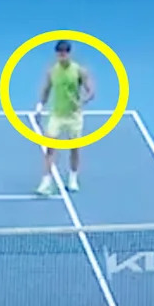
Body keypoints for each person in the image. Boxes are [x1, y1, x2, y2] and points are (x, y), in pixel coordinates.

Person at [35, 40, 96, 195]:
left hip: (74, 116)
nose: (62, 56)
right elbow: (46, 90)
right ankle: (46, 182)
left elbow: (91, 91)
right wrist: (40, 107)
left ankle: (73, 178)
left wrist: (82, 100)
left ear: (69, 53)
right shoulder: (52, 72)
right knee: (50, 148)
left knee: (74, 148)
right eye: (59, 54)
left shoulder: (79, 71)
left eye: (64, 53)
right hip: (57, 115)